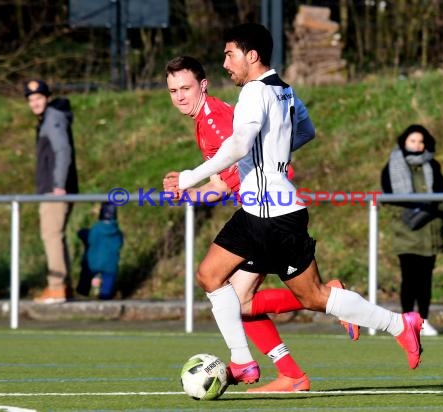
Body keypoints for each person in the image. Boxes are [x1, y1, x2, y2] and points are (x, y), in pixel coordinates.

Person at [163, 23, 424, 388]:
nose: (225, 64)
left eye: (229, 55)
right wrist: (272, 158)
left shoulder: (253, 93)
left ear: (251, 56)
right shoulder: (283, 89)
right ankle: (396, 325)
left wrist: (190, 178)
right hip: (272, 208)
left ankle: (246, 363)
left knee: (233, 282)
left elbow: (238, 147)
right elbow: (306, 132)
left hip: (268, 213)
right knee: (267, 292)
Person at [163, 55, 358, 393]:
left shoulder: (215, 120)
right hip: (261, 212)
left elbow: (238, 163)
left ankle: (328, 302)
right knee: (240, 302)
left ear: (203, 85)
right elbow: (223, 184)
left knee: (217, 283)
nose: (180, 96)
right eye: (173, 90)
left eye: (186, 88)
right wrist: (188, 194)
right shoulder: (207, 120)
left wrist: (190, 182)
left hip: (266, 216)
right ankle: (291, 373)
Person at [380, 124, 443, 336]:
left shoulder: (433, 166)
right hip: (406, 232)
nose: (417, 145)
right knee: (409, 278)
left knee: (426, 279)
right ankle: (408, 320)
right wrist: (409, 217)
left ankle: (424, 320)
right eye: (413, 141)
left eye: (421, 141)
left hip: (430, 231)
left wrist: (438, 218)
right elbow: (389, 202)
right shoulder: (392, 166)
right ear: (404, 142)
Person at [25, 79, 79, 304]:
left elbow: (62, 150)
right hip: (54, 188)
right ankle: (63, 287)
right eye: (31, 100)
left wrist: (57, 184)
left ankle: (56, 287)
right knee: (56, 236)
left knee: (51, 235)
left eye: (38, 98)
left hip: (55, 190)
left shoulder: (53, 118)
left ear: (47, 98)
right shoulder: (49, 118)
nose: (35, 103)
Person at [76, 202, 123, 300]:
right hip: (110, 263)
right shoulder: (117, 232)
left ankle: (82, 292)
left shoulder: (96, 228)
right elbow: (120, 244)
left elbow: (90, 239)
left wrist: (81, 233)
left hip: (93, 261)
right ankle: (105, 296)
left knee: (86, 275)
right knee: (108, 279)